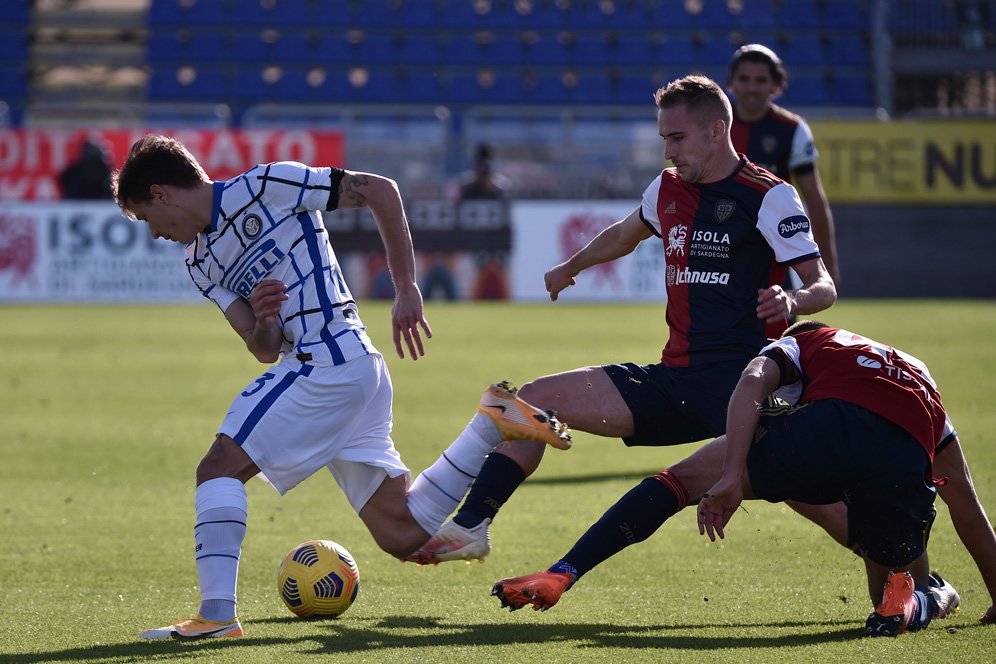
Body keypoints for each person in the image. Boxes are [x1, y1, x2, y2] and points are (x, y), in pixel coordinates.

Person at [111, 135, 572, 640]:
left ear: (161, 194)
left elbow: (380, 190)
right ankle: (489, 425)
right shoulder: (199, 262)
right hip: (342, 372)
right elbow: (261, 347)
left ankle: (217, 617)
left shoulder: (266, 185)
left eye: (145, 218)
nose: (154, 234)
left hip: (329, 360)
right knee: (401, 533)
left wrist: (405, 287)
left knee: (216, 469)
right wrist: (265, 319)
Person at [406, 75, 837, 564]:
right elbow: (623, 236)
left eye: (677, 138)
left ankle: (908, 573)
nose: (669, 151)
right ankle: (470, 526)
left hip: (744, 391)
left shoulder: (769, 195)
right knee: (535, 401)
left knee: (834, 511)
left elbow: (824, 285)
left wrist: (792, 300)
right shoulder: (668, 189)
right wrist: (572, 266)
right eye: (663, 139)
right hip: (676, 382)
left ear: (717, 132)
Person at [492, 321, 996, 635]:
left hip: (829, 432)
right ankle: (926, 597)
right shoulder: (915, 379)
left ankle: (564, 571)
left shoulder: (803, 342)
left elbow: (754, 380)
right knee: (891, 599)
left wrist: (733, 475)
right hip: (905, 452)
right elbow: (967, 507)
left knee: (682, 480)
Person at [727, 43, 840, 285]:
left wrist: (827, 268)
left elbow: (815, 200)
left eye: (760, 80)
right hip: (722, 252)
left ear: (775, 85)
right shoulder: (714, 126)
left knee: (780, 321)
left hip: (774, 258)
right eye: (744, 79)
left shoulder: (792, 129)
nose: (751, 88)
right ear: (731, 83)